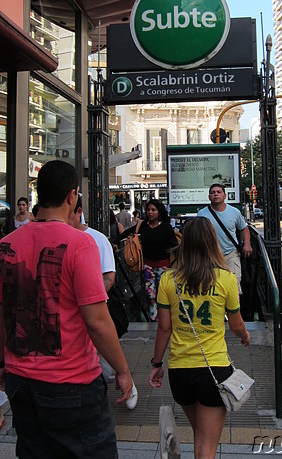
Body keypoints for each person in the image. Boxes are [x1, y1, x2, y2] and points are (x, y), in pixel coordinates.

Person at [0, 160, 133, 459]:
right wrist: (123, 370)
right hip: (71, 384)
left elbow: (3, 314)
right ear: (72, 196)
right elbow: (97, 320)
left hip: (20, 381)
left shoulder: (6, 245)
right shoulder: (80, 244)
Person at [149, 217, 250, 459]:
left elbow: (164, 328)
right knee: (206, 447)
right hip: (214, 371)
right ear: (212, 242)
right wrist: (245, 335)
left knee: (200, 437)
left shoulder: (168, 280)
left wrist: (156, 364)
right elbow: (236, 324)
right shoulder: (226, 279)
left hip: (180, 372)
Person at [68, 195, 138, 409]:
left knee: (105, 360)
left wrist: (90, 297)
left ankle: (126, 380)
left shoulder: (97, 239)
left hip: (96, 309)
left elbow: (109, 277)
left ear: (79, 212)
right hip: (69, 317)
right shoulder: (60, 236)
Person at [197, 184, 252, 293]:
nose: (215, 194)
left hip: (231, 254)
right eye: (212, 192)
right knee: (211, 288)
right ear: (209, 197)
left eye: (218, 192)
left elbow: (244, 228)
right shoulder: (202, 214)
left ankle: (234, 309)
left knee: (234, 287)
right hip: (209, 257)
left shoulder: (234, 212)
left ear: (224, 195)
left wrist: (247, 243)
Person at [139, 199, 178, 321]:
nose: (150, 212)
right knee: (150, 294)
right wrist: (114, 242)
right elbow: (128, 233)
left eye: (153, 210)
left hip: (164, 267)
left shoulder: (166, 227)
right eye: (148, 210)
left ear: (159, 212)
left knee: (164, 294)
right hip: (148, 266)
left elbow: (175, 245)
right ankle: (154, 318)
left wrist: (175, 265)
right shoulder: (143, 226)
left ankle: (166, 318)